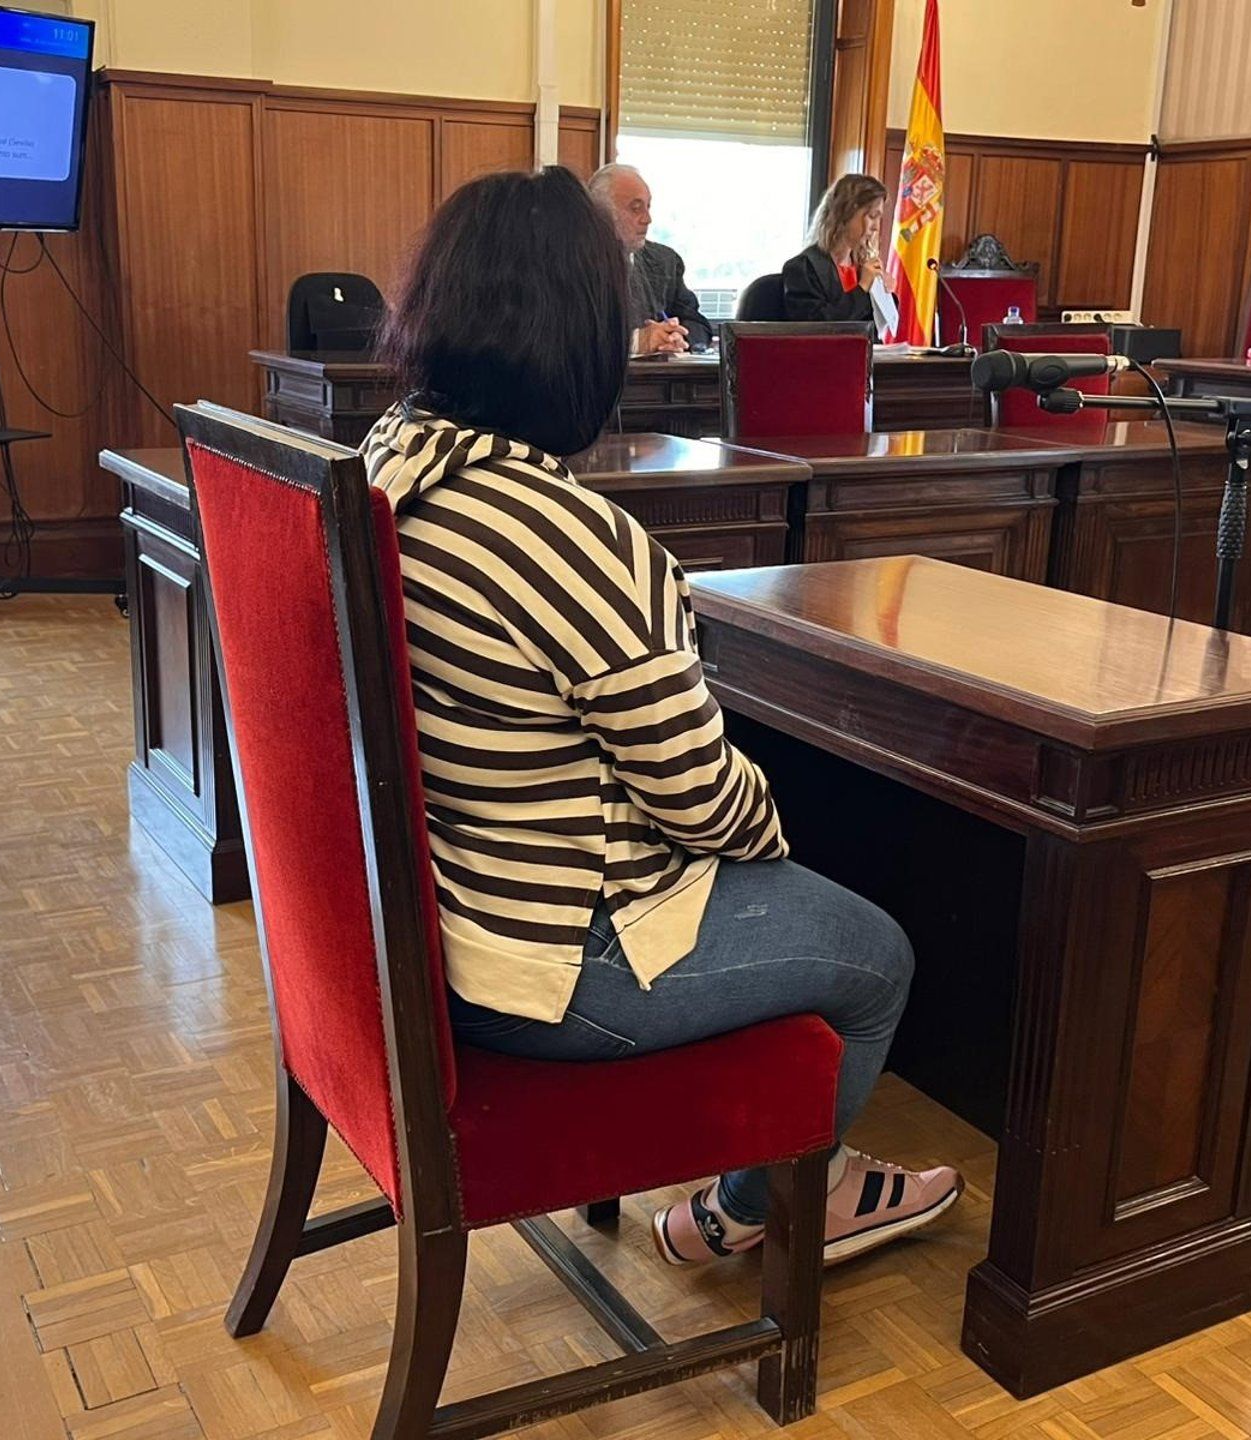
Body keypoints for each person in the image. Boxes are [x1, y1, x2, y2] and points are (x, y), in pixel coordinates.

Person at [364, 165, 961, 1267]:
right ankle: (760, 1207)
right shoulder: (566, 535)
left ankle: (792, 1175)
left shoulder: (385, 465)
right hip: (552, 963)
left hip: (433, 922)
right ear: (584, 339)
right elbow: (705, 806)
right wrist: (779, 836)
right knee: (877, 954)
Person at [588, 162, 713, 356]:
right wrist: (636, 342)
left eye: (648, 207)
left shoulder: (665, 262)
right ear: (599, 213)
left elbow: (697, 323)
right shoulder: (573, 265)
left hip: (661, 374)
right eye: (635, 208)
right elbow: (569, 339)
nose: (647, 219)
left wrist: (677, 337)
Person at [782, 173, 893, 331]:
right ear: (845, 213)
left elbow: (876, 330)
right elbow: (820, 327)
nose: (876, 227)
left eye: (878, 218)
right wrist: (862, 288)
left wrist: (884, 293)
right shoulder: (803, 268)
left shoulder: (861, 266)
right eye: (872, 216)